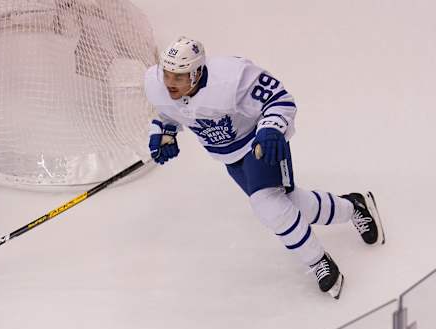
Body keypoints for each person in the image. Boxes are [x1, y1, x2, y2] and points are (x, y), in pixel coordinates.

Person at [144, 36, 385, 299]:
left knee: (268, 206)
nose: (170, 83)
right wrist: (164, 133)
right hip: (229, 156)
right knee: (290, 204)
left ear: (197, 72)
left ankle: (317, 261)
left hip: (257, 143)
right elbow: (169, 113)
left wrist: (271, 129)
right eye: (167, 74)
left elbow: (280, 99)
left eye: (178, 77)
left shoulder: (232, 78)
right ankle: (353, 206)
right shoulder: (157, 84)